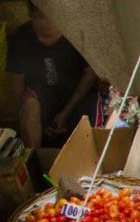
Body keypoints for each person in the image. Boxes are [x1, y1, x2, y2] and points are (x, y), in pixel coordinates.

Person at [9, 8, 98, 150]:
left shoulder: (76, 32)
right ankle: (34, 160)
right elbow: (16, 85)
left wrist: (66, 111)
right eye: (42, 17)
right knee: (30, 107)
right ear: (32, 16)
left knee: (86, 126)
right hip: (43, 93)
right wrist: (40, 123)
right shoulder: (21, 38)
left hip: (76, 93)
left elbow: (90, 73)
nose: (49, 23)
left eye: (53, 17)